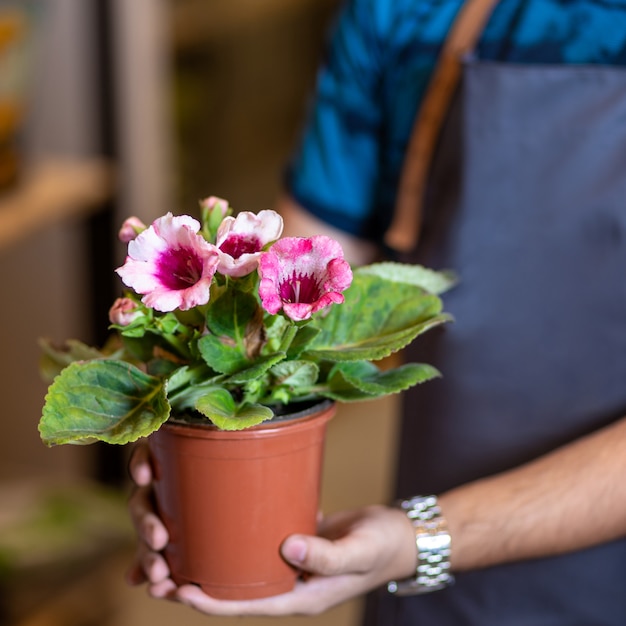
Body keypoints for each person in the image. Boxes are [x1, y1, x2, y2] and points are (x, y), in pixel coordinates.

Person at [127, 0, 626, 623]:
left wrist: (425, 539)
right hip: (430, 574)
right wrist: (181, 449)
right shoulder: (404, 13)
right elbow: (296, 267)